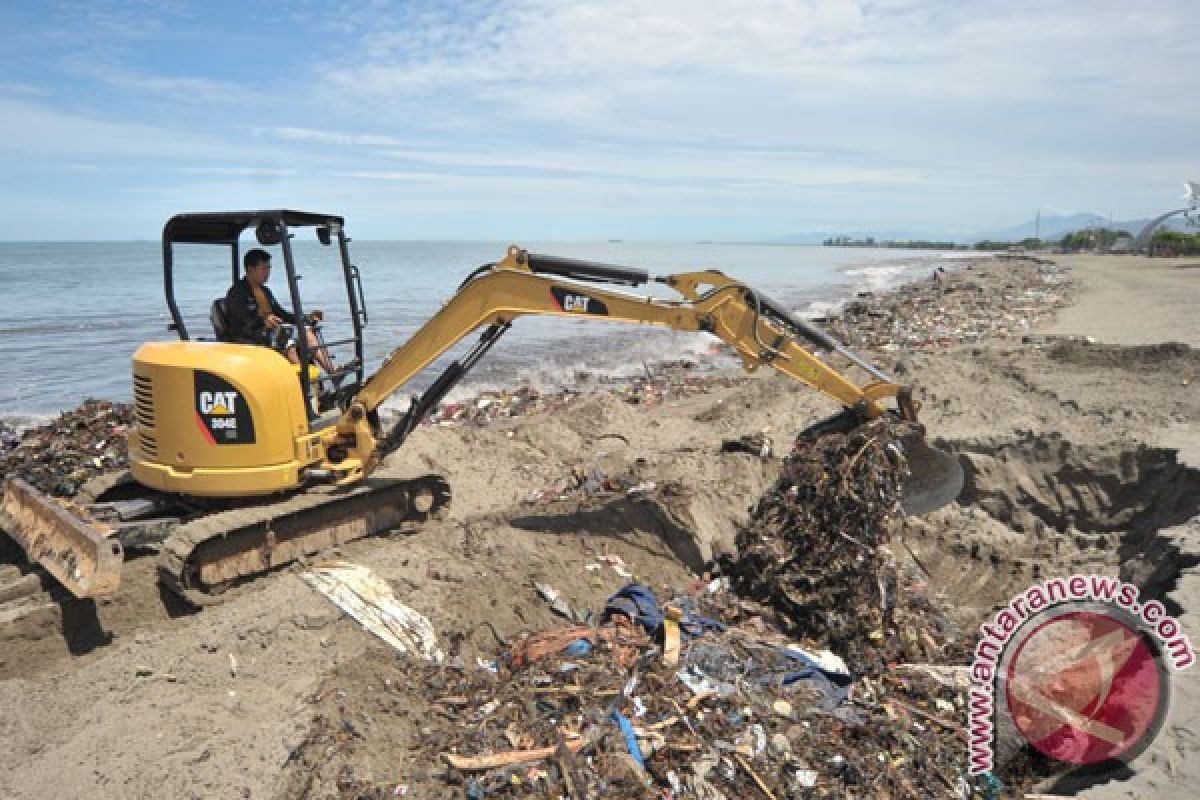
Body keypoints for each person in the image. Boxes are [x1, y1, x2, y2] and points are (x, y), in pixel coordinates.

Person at [224, 248, 336, 374]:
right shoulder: (237, 292)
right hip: (248, 335)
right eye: (264, 269)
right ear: (250, 269)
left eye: (269, 268)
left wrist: (307, 318)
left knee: (307, 332)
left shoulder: (265, 291)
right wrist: (263, 321)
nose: (268, 273)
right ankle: (304, 383)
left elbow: (282, 314)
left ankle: (332, 372)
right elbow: (242, 321)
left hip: (269, 332)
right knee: (286, 340)